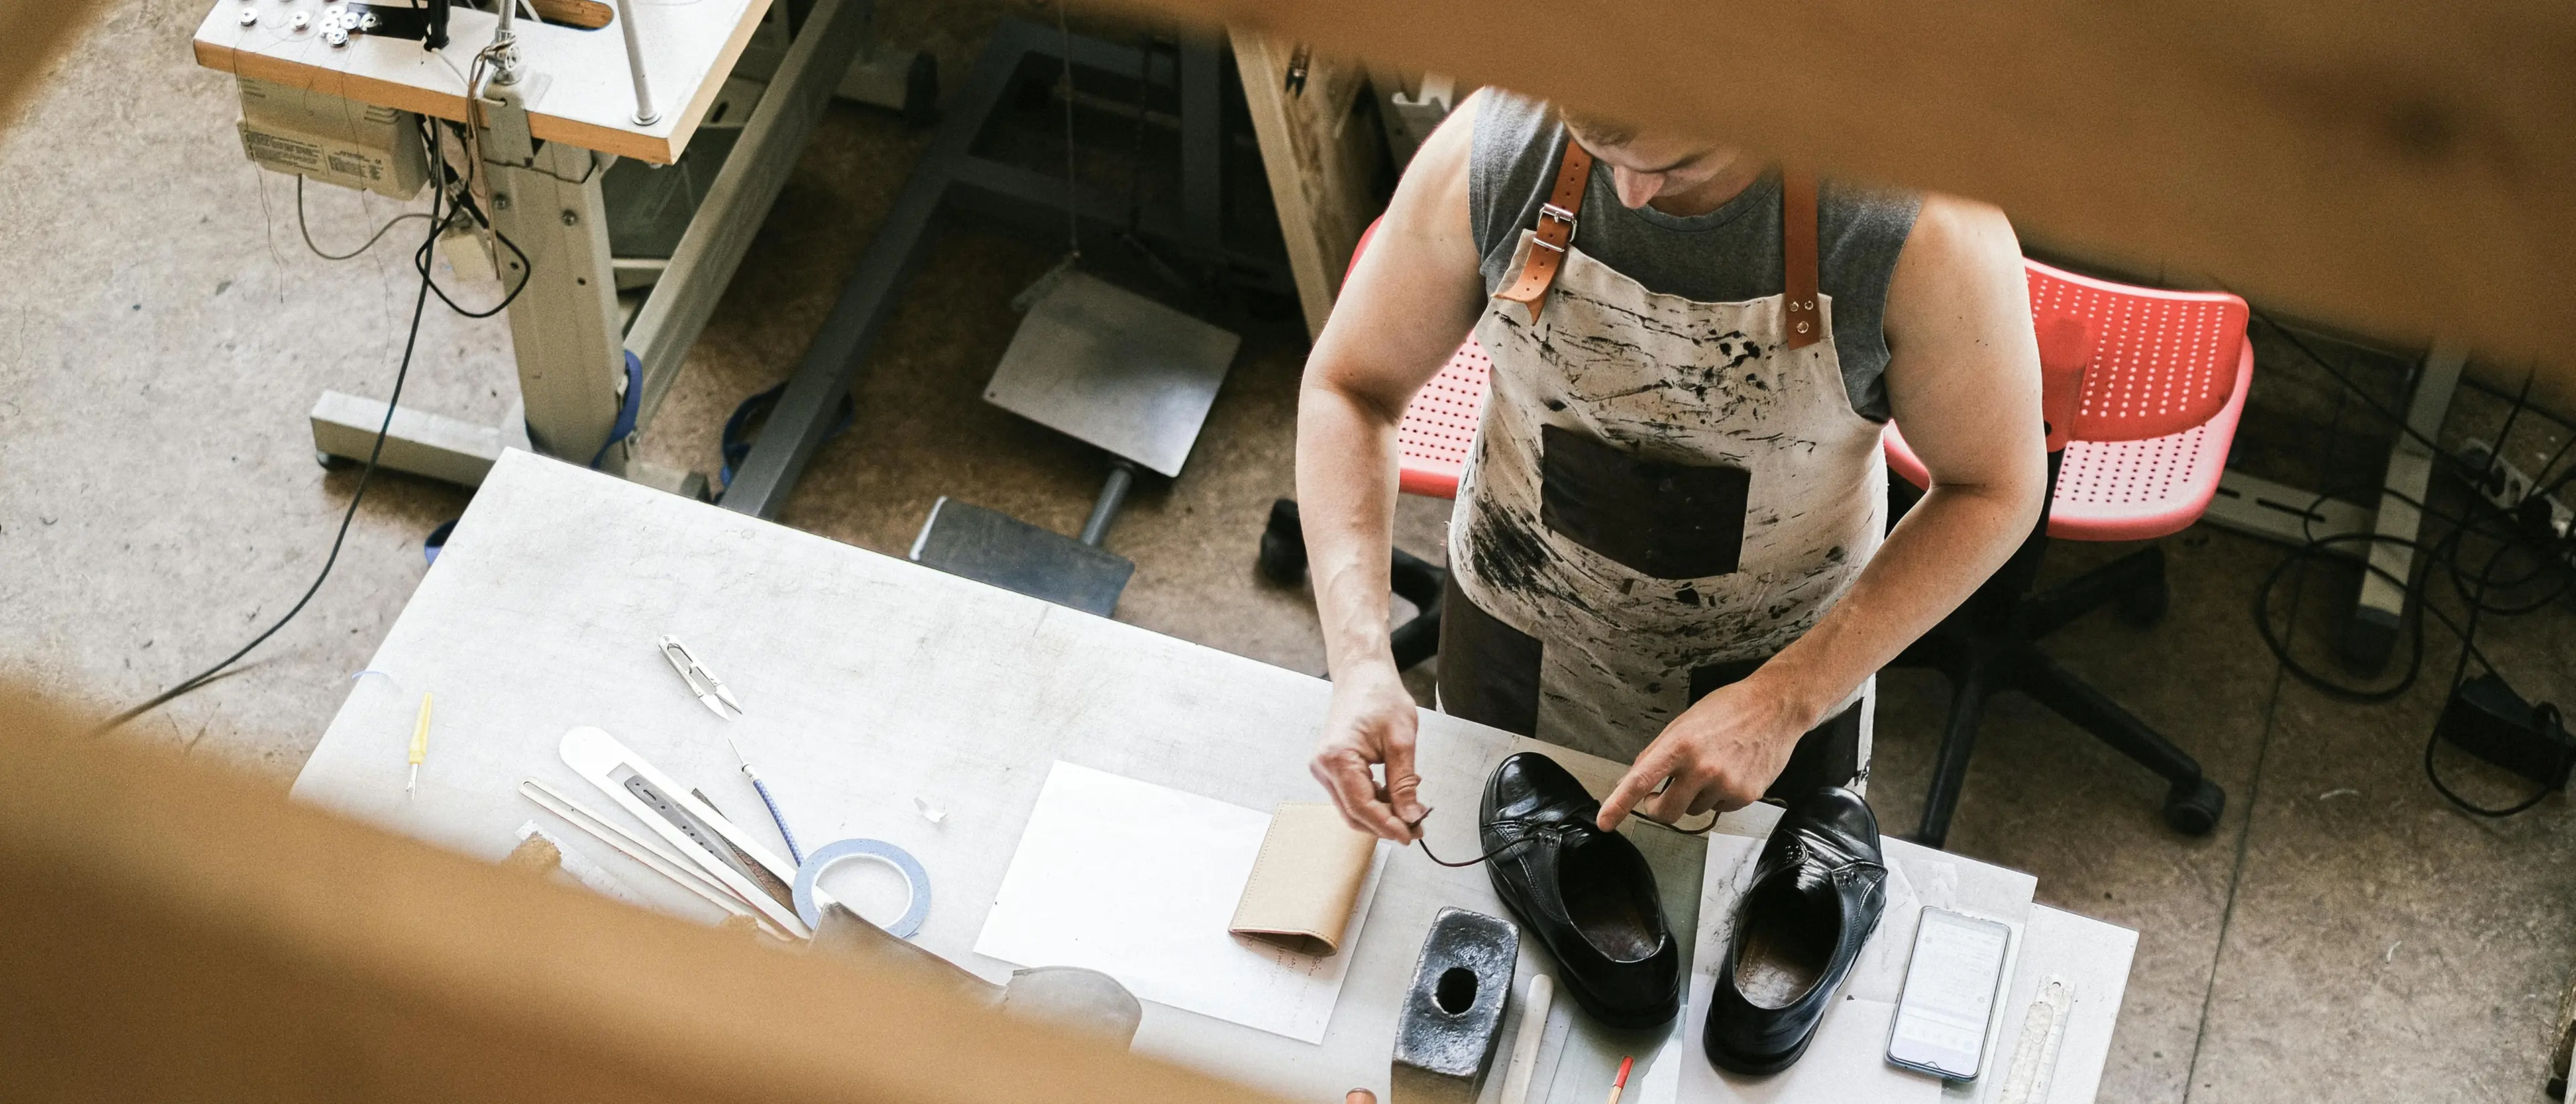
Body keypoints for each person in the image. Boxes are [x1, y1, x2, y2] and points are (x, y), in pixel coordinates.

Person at [1297, 91, 2047, 841]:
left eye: (1676, 162)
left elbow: (1995, 487)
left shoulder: (1916, 223)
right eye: (1598, 147)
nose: (1627, 193)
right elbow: (1350, 389)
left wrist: (1787, 699)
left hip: (1777, 668)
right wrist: (1361, 659)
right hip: (1513, 635)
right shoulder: (1497, 151)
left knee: (1742, 932)